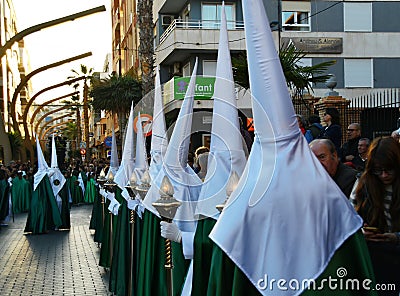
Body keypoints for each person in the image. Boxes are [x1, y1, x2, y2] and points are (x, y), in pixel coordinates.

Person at [351, 137, 400, 295]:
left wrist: (397, 237)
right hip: (377, 257)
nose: (384, 175)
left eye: (389, 169)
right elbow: (349, 219)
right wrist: (361, 231)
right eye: (379, 170)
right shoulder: (363, 184)